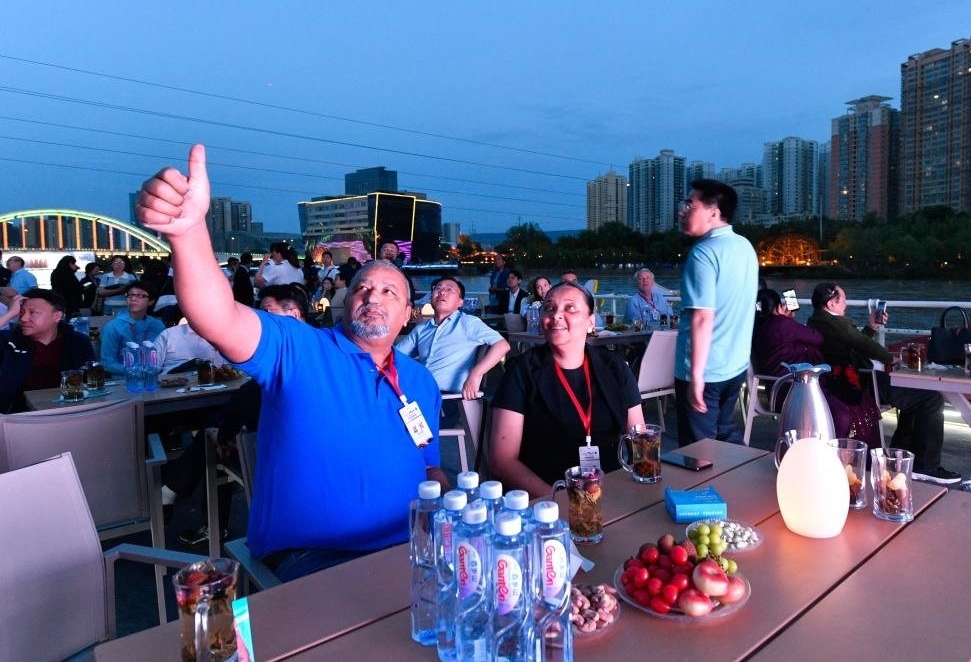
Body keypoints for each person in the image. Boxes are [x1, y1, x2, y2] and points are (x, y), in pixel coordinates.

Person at [136, 144, 445, 581]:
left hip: (412, 549)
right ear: (343, 303)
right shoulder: (298, 348)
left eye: (389, 292)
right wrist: (189, 234)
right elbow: (218, 317)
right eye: (362, 288)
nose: (373, 297)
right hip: (316, 558)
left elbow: (429, 465)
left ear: (409, 314)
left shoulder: (420, 380)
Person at [163, 284, 306, 546]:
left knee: (216, 439)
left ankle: (183, 499)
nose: (261, 319)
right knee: (217, 427)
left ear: (294, 315)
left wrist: (225, 434)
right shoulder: (310, 348)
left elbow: (249, 397)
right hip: (280, 444)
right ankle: (183, 495)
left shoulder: (289, 356)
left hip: (276, 457)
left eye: (268, 312)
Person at [489, 281, 645, 498]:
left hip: (611, 492)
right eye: (549, 308)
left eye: (570, 308)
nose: (556, 315)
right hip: (549, 497)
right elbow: (502, 461)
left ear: (590, 322)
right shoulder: (521, 371)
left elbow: (640, 439)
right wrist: (564, 502)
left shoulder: (615, 368)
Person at [808, 282, 960, 484]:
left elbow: (853, 343)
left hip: (849, 380)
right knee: (931, 399)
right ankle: (926, 466)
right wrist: (890, 359)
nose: (846, 304)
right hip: (859, 383)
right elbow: (862, 343)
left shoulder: (819, 322)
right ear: (831, 304)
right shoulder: (831, 323)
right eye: (843, 300)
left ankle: (899, 457)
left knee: (917, 397)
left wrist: (871, 327)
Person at [674, 179, 758, 445]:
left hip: (706, 372)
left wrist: (696, 377)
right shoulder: (745, 246)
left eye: (690, 204)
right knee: (724, 437)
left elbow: (702, 317)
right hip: (735, 367)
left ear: (713, 212)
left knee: (698, 451)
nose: (682, 210)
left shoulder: (704, 253)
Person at [751, 289, 881, 448]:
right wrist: (788, 320)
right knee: (849, 409)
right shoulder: (781, 324)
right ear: (778, 307)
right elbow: (817, 338)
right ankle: (834, 453)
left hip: (777, 390)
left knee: (850, 402)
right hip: (795, 391)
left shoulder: (757, 328)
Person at [397, 276, 510, 426]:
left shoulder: (468, 323)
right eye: (438, 288)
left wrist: (476, 374)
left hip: (446, 400)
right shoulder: (422, 329)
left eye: (449, 290)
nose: (442, 292)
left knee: (389, 420)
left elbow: (502, 345)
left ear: (460, 302)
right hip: (417, 395)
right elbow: (395, 356)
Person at [0, 288, 95, 413]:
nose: (23, 318)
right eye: (21, 312)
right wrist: (9, 314)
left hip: (71, 411)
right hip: (20, 415)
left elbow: (92, 381)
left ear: (57, 316)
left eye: (32, 312)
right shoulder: (9, 342)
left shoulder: (78, 342)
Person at [99, 280, 166, 376]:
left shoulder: (158, 325)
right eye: (130, 295)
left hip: (153, 378)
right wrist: (136, 371)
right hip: (122, 379)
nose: (133, 299)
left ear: (151, 301)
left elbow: (164, 357)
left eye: (140, 295)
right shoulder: (113, 327)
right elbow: (107, 363)